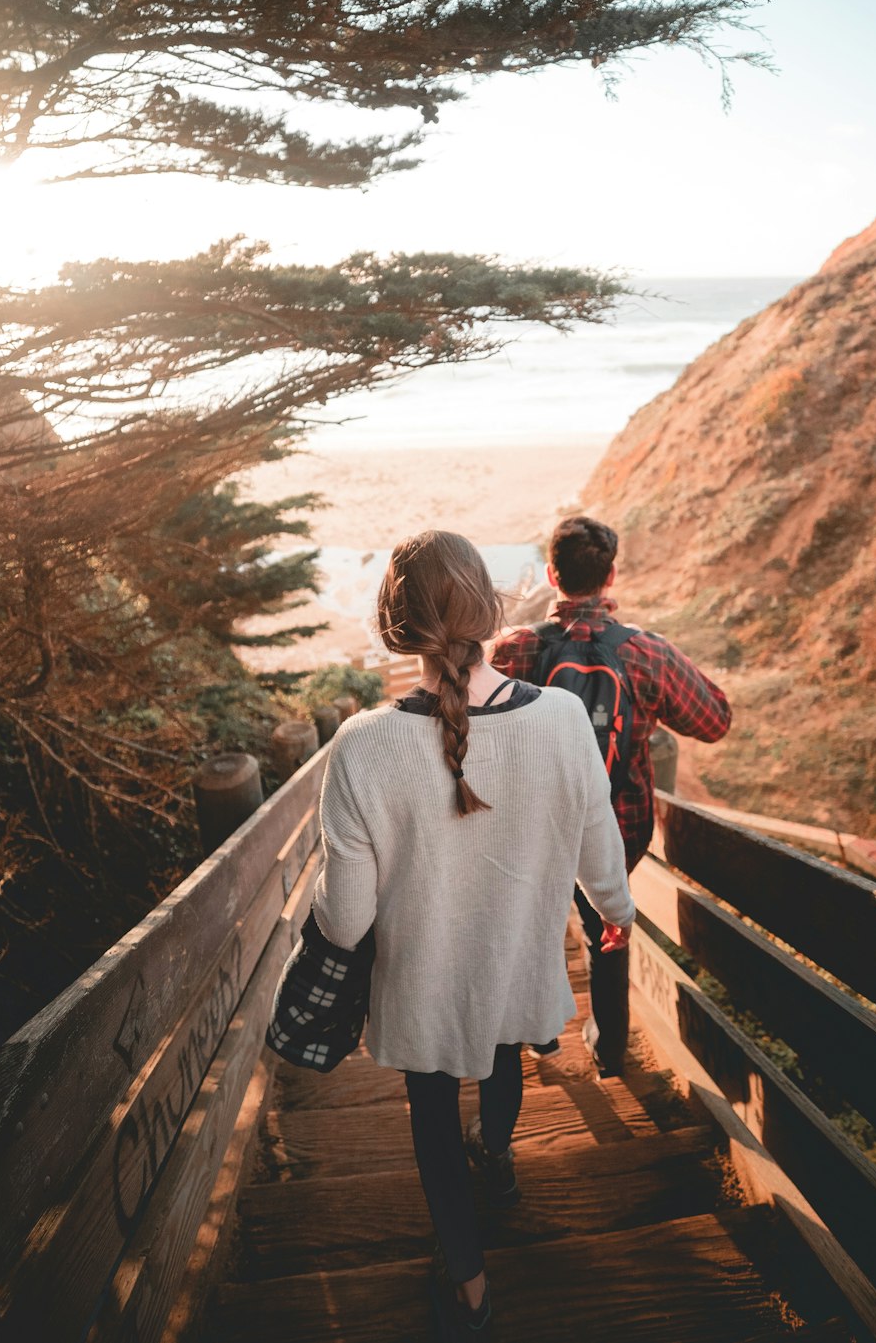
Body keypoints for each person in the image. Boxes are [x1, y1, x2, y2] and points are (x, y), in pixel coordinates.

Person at [311, 529, 634, 1342]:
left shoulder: (362, 747)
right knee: (499, 1056)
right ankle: (497, 1156)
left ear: (396, 628)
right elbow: (603, 863)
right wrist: (617, 914)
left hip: (421, 989)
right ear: (488, 612)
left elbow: (344, 921)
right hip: (518, 969)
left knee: (430, 1111)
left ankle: (470, 1290)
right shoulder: (562, 720)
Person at [491, 514, 731, 1077]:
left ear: (552, 575)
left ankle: (540, 1034)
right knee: (608, 926)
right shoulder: (647, 653)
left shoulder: (513, 650)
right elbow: (715, 720)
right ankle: (609, 1048)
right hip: (618, 825)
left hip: (534, 826)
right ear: (611, 576)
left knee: (537, 920)